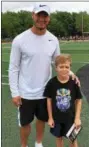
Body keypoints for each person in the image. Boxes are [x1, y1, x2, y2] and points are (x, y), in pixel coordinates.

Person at [9, 4, 79, 147]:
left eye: (45, 16)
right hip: (25, 93)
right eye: (39, 15)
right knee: (25, 123)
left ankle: (38, 143)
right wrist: (15, 92)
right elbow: (14, 67)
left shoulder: (53, 39)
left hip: (45, 91)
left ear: (49, 18)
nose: (42, 19)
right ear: (33, 15)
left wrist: (70, 73)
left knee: (41, 120)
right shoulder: (20, 39)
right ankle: (24, 145)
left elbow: (59, 61)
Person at [43, 54, 82, 147]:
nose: (64, 69)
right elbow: (49, 100)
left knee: (73, 139)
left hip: (71, 118)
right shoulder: (51, 83)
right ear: (56, 68)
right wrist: (50, 117)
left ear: (70, 68)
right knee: (59, 139)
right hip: (57, 119)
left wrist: (77, 118)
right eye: (61, 67)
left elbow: (79, 100)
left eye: (67, 67)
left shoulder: (74, 83)